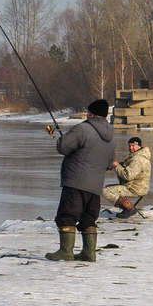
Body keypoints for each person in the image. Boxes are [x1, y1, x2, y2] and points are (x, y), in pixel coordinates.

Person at [47, 99, 115, 262]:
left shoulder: (82, 128)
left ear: (91, 113)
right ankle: (89, 252)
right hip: (96, 185)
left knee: (67, 215)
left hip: (76, 182)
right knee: (88, 218)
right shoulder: (111, 134)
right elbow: (109, 163)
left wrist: (62, 139)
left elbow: (63, 148)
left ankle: (66, 251)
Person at [103, 136, 151, 217]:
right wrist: (119, 165)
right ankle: (127, 208)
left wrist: (117, 166)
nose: (131, 148)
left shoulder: (137, 159)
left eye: (133, 146)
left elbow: (128, 176)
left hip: (135, 189)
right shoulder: (136, 157)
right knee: (108, 188)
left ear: (139, 146)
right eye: (129, 146)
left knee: (106, 191)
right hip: (135, 187)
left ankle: (129, 209)